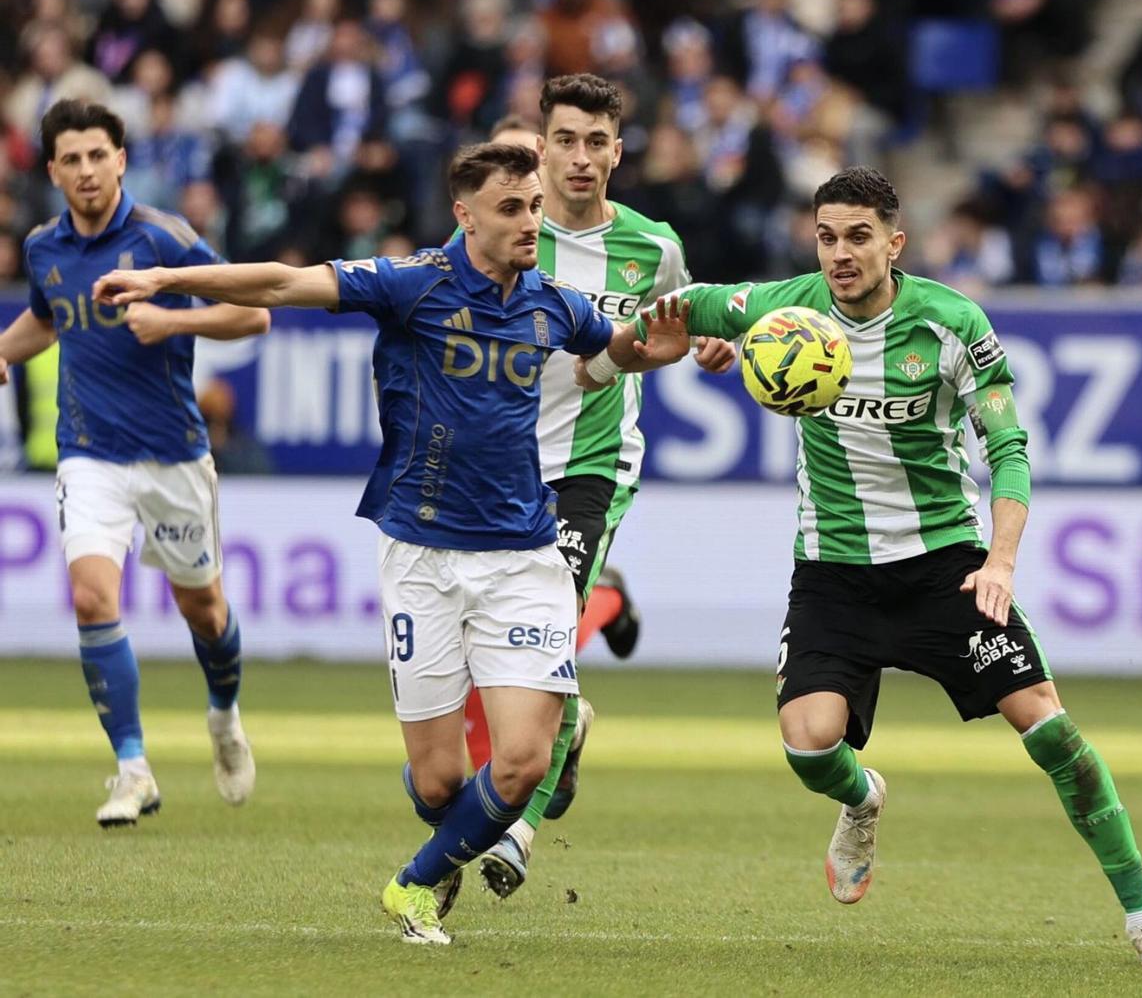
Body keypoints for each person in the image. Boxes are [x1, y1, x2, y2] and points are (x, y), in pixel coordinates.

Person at [585, 166, 1142, 972]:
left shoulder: (949, 322)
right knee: (809, 747)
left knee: (1049, 728)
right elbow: (673, 316)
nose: (840, 253)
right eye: (827, 236)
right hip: (834, 573)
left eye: (859, 236)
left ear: (894, 242)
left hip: (946, 567)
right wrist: (657, 350)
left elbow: (1007, 449)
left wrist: (1001, 563)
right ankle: (862, 798)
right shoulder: (777, 307)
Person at [92, 141, 691, 945]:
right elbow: (279, 283)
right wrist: (168, 278)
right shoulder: (411, 284)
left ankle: (414, 884)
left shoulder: (552, 303)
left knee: (520, 762)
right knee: (443, 779)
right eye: (511, 209)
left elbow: (614, 351)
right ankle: (446, 844)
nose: (529, 223)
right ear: (465, 214)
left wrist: (660, 342)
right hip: (422, 557)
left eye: (534, 208)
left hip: (523, 555)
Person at [470, 77, 737, 900]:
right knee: (495, 654)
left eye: (597, 143)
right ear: (538, 148)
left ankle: (516, 829)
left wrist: (708, 346)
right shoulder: (505, 232)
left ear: (618, 152)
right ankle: (573, 723)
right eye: (566, 141)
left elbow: (680, 318)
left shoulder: (652, 246)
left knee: (546, 636)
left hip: (593, 465)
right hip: (503, 463)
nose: (581, 158)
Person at [0, 99, 267, 827]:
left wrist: (173, 316)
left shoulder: (165, 239)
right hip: (88, 453)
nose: (86, 171)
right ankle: (131, 767)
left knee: (203, 611)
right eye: (71, 159)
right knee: (91, 598)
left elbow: (253, 313)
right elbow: (47, 319)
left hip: (174, 456)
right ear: (52, 170)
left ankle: (223, 715)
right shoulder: (44, 249)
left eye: (98, 156)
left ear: (121, 160)